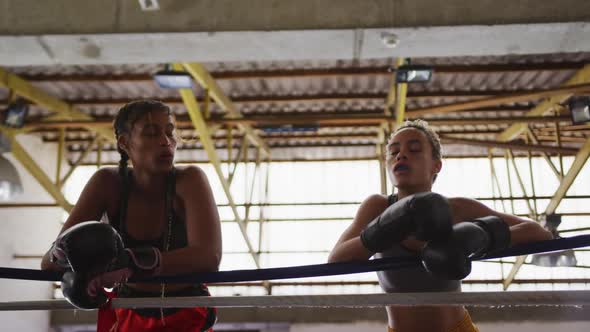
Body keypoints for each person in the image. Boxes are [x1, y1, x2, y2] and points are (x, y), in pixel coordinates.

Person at [328, 119, 553, 332]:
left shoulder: (457, 209)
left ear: (436, 165)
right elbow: (335, 259)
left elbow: (539, 233)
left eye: (414, 149)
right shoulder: (377, 207)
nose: (401, 155)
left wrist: (480, 235)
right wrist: (383, 228)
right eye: (394, 151)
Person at [41, 100, 222, 331]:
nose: (166, 142)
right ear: (125, 143)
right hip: (126, 312)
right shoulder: (107, 183)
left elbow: (209, 257)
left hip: (187, 312)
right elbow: (48, 264)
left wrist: (129, 264)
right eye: (151, 133)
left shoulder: (190, 180)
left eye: (169, 132)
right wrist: (66, 256)